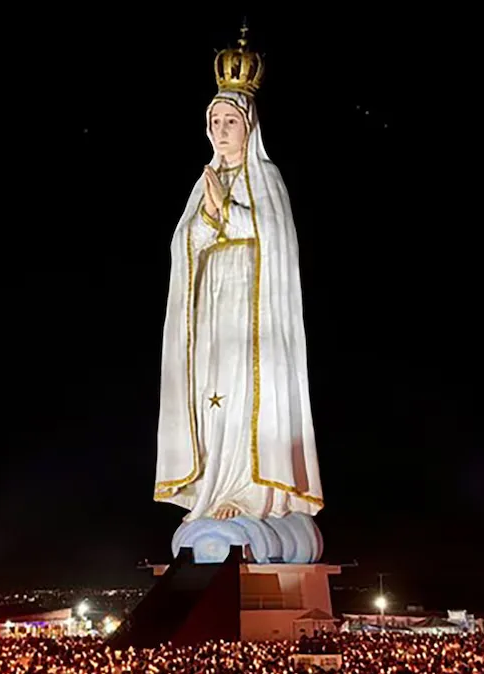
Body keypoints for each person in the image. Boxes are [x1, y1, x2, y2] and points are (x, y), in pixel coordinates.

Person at [154, 32, 323, 524]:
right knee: (213, 395)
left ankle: (251, 492)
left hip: (253, 313)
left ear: (249, 127)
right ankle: (212, 485)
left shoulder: (266, 178)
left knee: (247, 393)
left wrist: (223, 212)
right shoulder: (203, 181)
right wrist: (207, 217)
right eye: (216, 122)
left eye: (231, 121)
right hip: (213, 311)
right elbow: (182, 245)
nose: (222, 130)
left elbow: (274, 239)